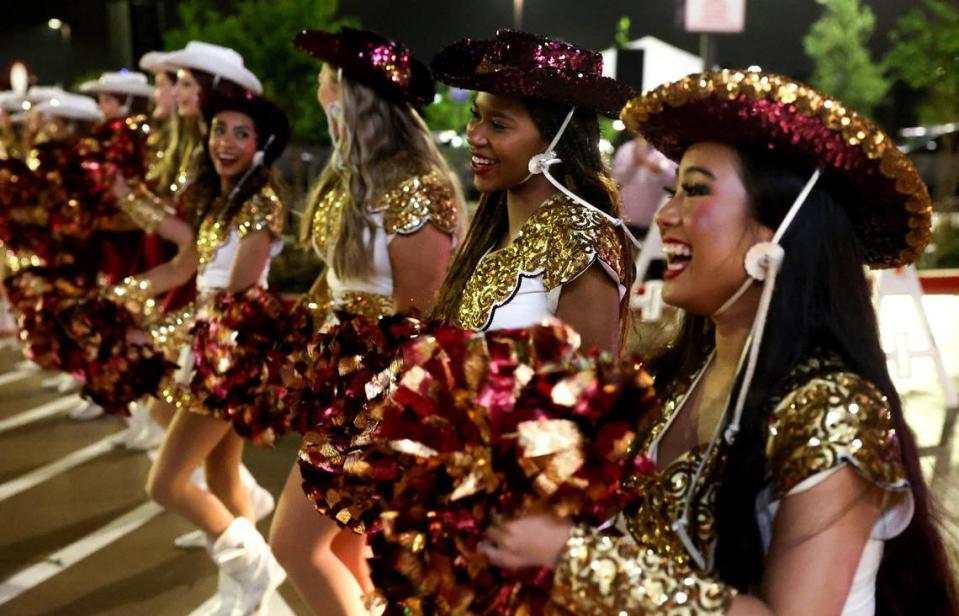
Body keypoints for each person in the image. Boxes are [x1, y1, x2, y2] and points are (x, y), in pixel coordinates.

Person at [478, 69, 959, 615]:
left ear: (775, 231)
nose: (666, 215)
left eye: (696, 191)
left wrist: (574, 559)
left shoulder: (834, 408)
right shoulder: (670, 380)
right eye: (671, 190)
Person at [267, 27, 463, 615]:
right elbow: (336, 279)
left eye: (328, 80)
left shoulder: (417, 189)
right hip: (339, 382)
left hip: (378, 394)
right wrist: (301, 342)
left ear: (353, 94)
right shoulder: (349, 179)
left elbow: (421, 316)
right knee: (352, 552)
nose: (320, 90)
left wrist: (380, 415)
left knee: (293, 546)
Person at [137, 85, 291, 615]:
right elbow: (184, 271)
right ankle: (247, 588)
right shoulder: (219, 201)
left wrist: (158, 332)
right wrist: (121, 297)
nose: (225, 142)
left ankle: (255, 567)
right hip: (207, 345)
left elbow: (237, 296)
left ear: (261, 145)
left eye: (240, 133)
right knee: (223, 474)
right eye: (219, 129)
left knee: (165, 484)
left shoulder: (260, 205)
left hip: (230, 357)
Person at [428, 29, 636, 354]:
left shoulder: (580, 239)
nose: (475, 135)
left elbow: (590, 395)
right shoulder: (491, 232)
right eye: (475, 116)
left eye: (498, 125)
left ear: (555, 140)